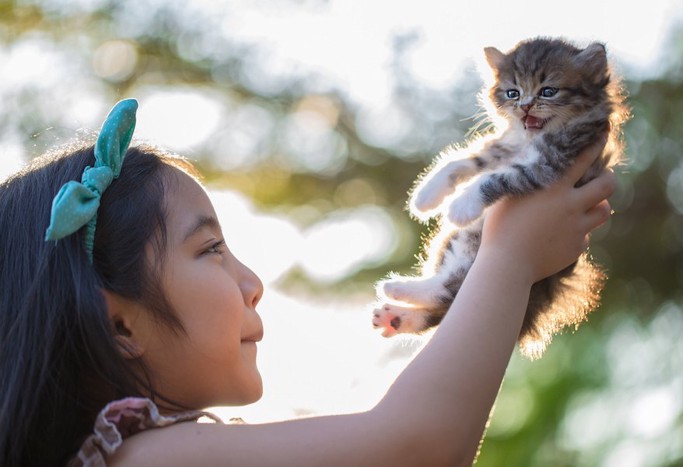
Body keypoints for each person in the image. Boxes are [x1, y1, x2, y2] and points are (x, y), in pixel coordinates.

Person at [0, 99, 615, 467]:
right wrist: (506, 257)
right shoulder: (141, 458)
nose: (254, 282)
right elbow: (419, 444)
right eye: (211, 249)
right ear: (119, 324)